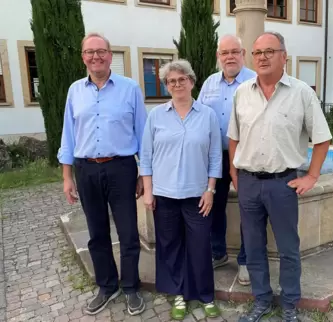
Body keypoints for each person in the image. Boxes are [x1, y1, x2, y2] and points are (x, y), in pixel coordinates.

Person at [227, 32, 332, 322]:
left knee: (288, 249)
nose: (262, 57)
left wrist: (311, 175)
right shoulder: (242, 93)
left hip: (283, 184)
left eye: (269, 51)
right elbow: (233, 137)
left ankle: (288, 305)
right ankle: (261, 300)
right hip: (248, 184)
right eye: (258, 52)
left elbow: (322, 139)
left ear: (283, 56)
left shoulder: (302, 93)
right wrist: (235, 174)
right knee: (254, 247)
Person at [57, 32, 147, 316]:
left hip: (121, 167)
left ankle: (131, 286)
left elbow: (143, 134)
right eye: (89, 52)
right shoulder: (75, 91)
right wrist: (67, 176)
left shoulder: (130, 88)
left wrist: (144, 175)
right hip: (86, 169)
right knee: (97, 233)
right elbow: (68, 136)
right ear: (83, 57)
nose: (96, 56)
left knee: (129, 232)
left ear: (110, 55)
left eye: (101, 51)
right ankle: (107, 286)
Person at [139, 59, 223, 321]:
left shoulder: (207, 114)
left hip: (198, 196)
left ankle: (205, 294)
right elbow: (146, 156)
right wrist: (149, 192)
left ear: (191, 81)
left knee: (200, 246)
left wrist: (210, 189)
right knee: (170, 245)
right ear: (166, 85)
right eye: (171, 81)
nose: (177, 84)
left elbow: (214, 157)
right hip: (164, 195)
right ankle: (177, 293)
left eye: (181, 79)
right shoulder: (156, 115)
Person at [198, 34, 256, 285]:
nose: (230, 56)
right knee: (214, 207)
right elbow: (198, 116)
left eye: (235, 51)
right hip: (215, 157)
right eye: (225, 53)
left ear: (243, 54)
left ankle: (245, 261)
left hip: (247, 156)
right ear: (218, 57)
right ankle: (218, 252)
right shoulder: (209, 84)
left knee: (248, 210)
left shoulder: (255, 81)